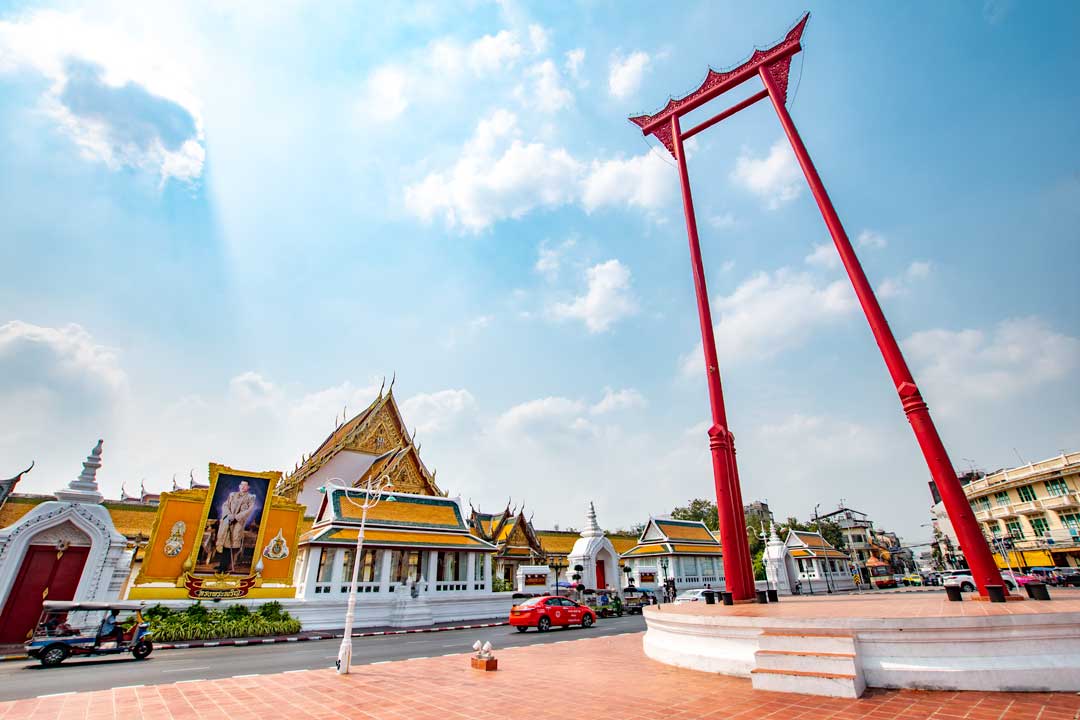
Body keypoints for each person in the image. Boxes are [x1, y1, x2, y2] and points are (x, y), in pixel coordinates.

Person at [215, 480, 258, 573]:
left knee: (232, 543)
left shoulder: (251, 497)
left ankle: (225, 566)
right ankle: (221, 564)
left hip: (238, 521)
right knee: (223, 539)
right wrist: (229, 515)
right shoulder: (232, 495)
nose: (243, 487)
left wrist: (236, 517)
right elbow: (225, 505)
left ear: (248, 487)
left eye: (245, 485)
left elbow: (249, 510)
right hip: (228, 518)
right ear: (239, 486)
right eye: (241, 485)